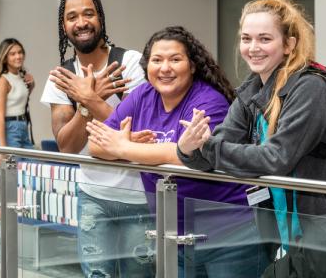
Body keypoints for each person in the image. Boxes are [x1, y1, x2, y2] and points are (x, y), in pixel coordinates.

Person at [176, 0, 326, 275]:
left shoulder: (309, 88)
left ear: (289, 44)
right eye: (246, 38)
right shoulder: (250, 94)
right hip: (283, 231)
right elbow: (209, 156)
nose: (253, 47)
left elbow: (276, 158)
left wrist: (206, 146)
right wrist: (188, 149)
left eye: (265, 39)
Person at [86, 26, 268, 278]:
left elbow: (190, 157)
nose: (165, 68)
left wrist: (125, 147)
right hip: (176, 236)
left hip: (230, 236)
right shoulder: (142, 95)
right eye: (156, 60)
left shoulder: (208, 100)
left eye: (175, 59)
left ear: (192, 65)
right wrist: (132, 149)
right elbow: (96, 145)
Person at [40, 0, 154, 278]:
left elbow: (139, 133)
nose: (81, 22)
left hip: (138, 196)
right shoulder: (62, 77)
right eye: (72, 17)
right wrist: (87, 104)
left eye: (88, 13)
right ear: (63, 26)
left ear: (100, 18)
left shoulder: (130, 63)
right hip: (92, 196)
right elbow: (67, 146)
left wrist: (88, 99)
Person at [0, 38, 35, 237]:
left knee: (29, 173)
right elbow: (0, 116)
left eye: (20, 52)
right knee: (15, 178)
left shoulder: (20, 77)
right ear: (5, 57)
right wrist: (3, 148)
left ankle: (1, 218)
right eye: (13, 53)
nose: (18, 56)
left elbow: (20, 102)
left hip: (23, 128)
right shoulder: (2, 80)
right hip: (10, 129)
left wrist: (32, 85)